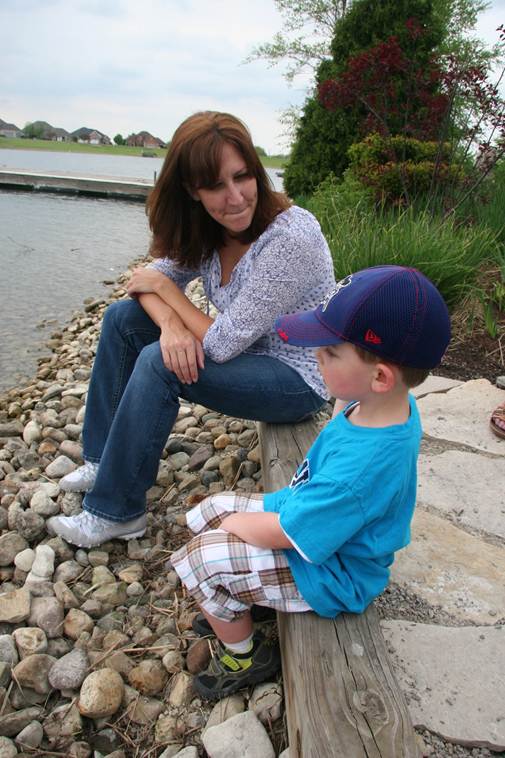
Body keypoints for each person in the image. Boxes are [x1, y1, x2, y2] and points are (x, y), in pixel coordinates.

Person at [47, 111, 335, 549]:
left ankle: (117, 512)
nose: (236, 198)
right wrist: (170, 325)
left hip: (298, 377)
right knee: (122, 321)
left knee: (160, 363)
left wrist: (168, 294)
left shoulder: (289, 238)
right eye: (216, 185)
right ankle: (102, 459)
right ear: (191, 190)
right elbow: (140, 283)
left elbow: (218, 341)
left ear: (257, 172)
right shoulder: (207, 230)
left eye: (243, 177)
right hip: (249, 355)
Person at [170, 264, 451, 701]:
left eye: (330, 351)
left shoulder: (358, 474)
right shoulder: (386, 406)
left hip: (332, 573)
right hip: (314, 518)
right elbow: (347, 400)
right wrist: (227, 518)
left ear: (379, 377)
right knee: (212, 508)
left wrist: (231, 528)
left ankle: (244, 655)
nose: (316, 355)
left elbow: (289, 532)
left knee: (202, 556)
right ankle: (237, 597)